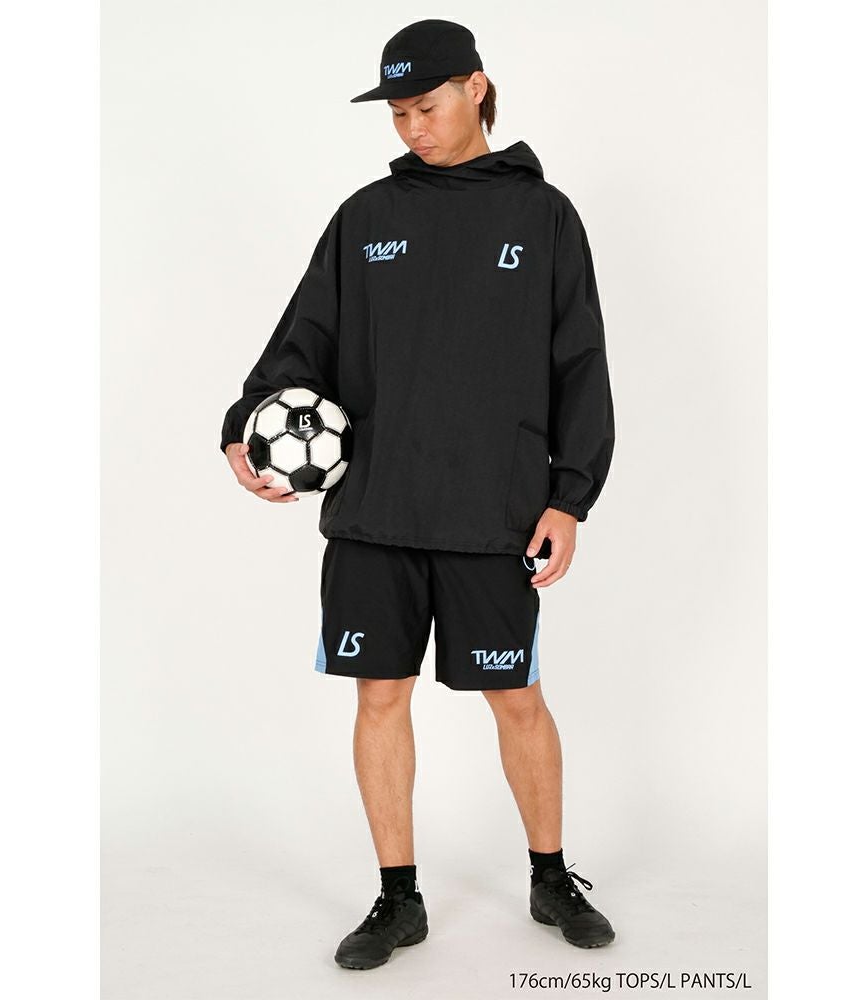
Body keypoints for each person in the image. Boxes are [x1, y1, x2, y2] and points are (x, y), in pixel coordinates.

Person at [220, 19, 616, 970]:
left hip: (494, 513)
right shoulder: (365, 217)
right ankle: (398, 901)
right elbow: (303, 341)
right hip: (377, 512)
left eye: (426, 107)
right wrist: (244, 423)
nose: (411, 128)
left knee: (516, 698)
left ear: (476, 88)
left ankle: (551, 877)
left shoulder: (544, 216)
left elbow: (581, 365)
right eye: (397, 113)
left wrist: (570, 498)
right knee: (379, 696)